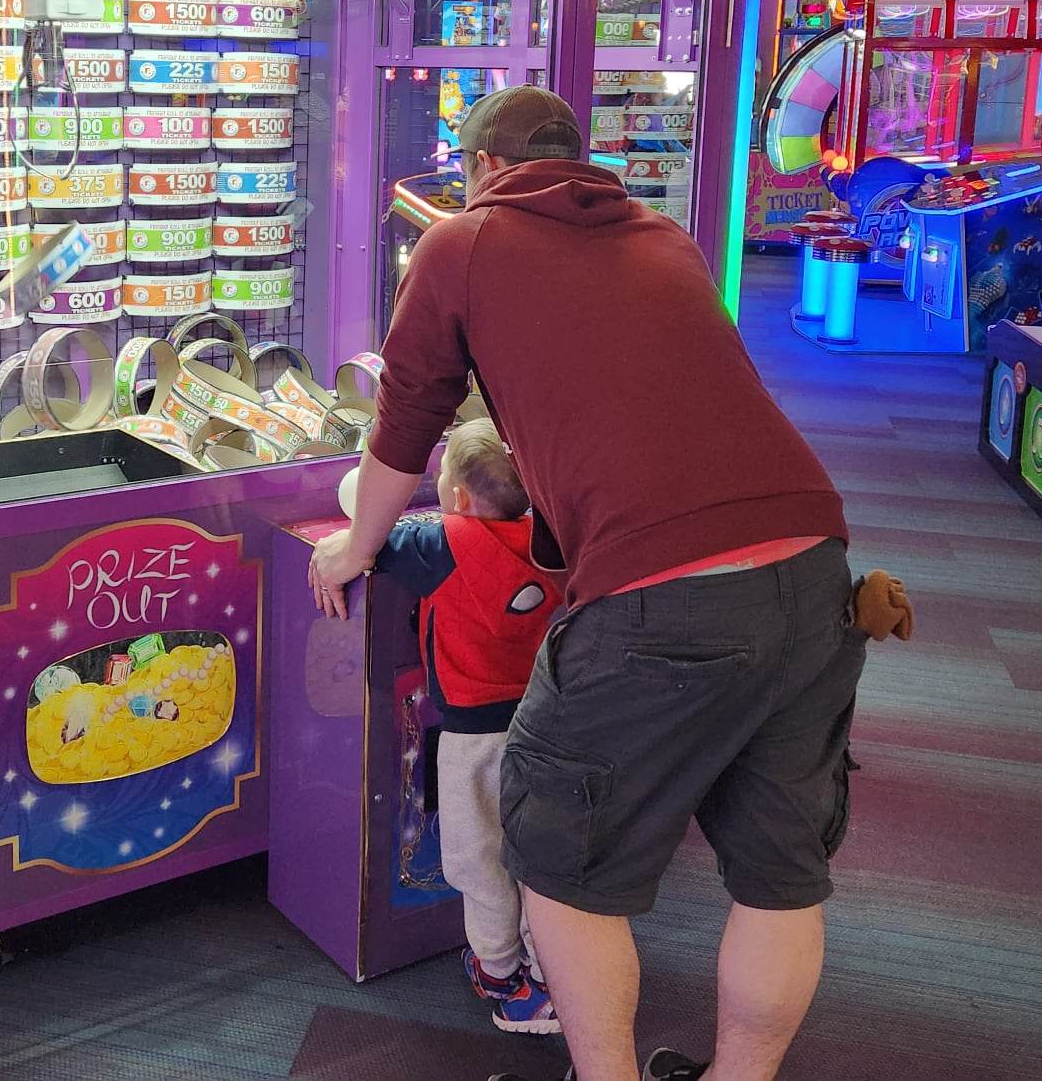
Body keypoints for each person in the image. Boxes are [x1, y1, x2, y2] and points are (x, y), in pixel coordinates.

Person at [309, 87, 861, 1081]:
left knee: (561, 867)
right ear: (579, 157)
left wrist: (354, 546)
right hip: (812, 559)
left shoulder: (462, 242)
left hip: (661, 586)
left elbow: (404, 421)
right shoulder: (663, 235)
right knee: (780, 876)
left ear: (479, 168)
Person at [342, 418, 564, 1037]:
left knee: (479, 860)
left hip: (471, 736)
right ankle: (557, 971)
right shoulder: (551, 536)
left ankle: (501, 979)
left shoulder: (441, 544)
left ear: (459, 498)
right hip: (544, 725)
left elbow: (363, 511)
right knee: (537, 856)